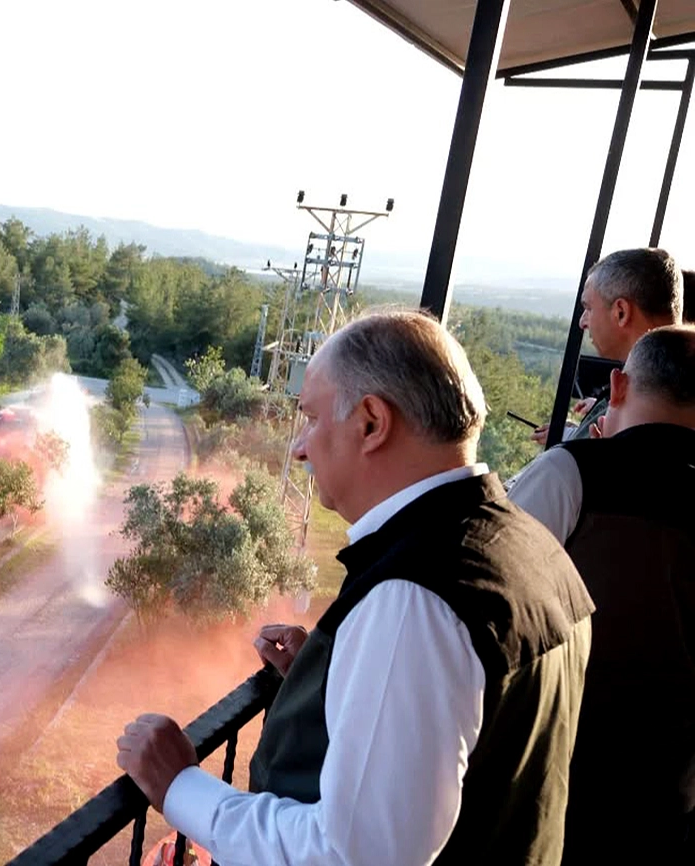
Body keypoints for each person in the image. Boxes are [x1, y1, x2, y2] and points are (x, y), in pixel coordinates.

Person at [116, 310, 594, 866]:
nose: (300, 448)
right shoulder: (534, 549)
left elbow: (352, 854)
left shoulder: (416, 596)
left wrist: (181, 787)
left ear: (371, 423)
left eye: (311, 418)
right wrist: (334, 676)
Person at [507, 325, 695, 862]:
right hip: (673, 795)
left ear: (617, 386)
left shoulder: (572, 473)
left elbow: (496, 593)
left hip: (558, 774)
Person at [532, 248, 682, 445]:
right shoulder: (675, 392)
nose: (582, 322)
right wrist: (579, 434)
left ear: (621, 312)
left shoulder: (642, 405)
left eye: (588, 308)